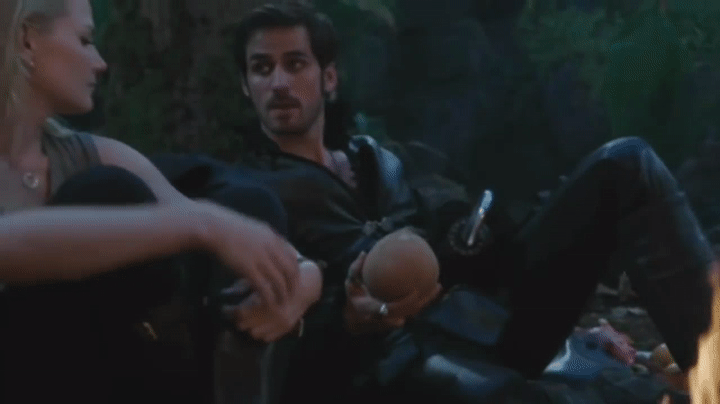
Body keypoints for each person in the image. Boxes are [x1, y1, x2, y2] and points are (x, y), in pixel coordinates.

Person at [206, 2, 719, 403]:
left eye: (295, 63)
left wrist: (574, 334)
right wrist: (345, 317)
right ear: (247, 88)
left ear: (329, 78)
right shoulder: (250, 195)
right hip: (396, 363)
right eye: (261, 68)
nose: (278, 82)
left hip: (487, 318)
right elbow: (262, 325)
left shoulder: (384, 160)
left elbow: (482, 243)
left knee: (625, 162)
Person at [0, 1, 321, 403]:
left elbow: (254, 242)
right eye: (84, 40)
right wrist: (198, 224)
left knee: (248, 205)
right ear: (28, 41)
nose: (100, 63)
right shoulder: (101, 174)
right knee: (107, 193)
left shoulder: (92, 154)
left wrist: (304, 281)